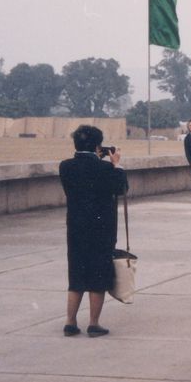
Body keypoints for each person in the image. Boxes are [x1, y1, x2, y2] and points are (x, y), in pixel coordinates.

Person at [58, 124, 129, 338]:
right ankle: (93, 323)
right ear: (98, 146)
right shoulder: (105, 168)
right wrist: (115, 164)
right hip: (101, 229)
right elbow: (121, 188)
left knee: (77, 274)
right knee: (98, 276)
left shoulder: (65, 166)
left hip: (76, 228)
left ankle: (70, 322)